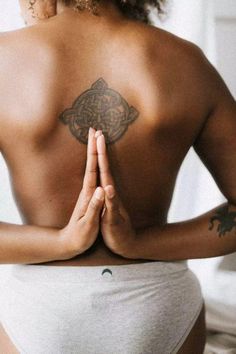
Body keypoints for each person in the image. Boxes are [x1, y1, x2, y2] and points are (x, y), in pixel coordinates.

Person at [0, 0, 235, 353]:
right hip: (158, 302)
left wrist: (64, 243)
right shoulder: (185, 61)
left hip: (41, 307)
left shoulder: (5, 58)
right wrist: (139, 242)